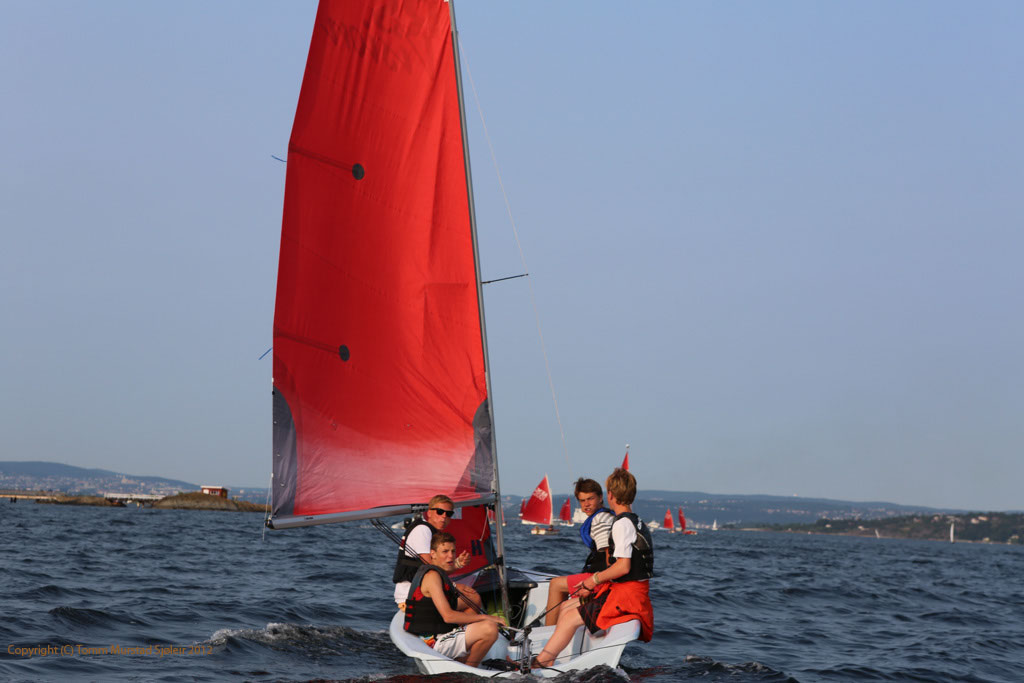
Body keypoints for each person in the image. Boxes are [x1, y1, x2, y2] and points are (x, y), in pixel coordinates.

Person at [533, 468, 654, 669]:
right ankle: (556, 656)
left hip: (627, 597)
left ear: (610, 495)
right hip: (627, 592)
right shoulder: (636, 521)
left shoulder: (621, 524)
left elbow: (623, 566)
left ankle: (541, 663)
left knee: (570, 617)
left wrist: (592, 581)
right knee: (567, 607)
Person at [403, 532, 506, 668]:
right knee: (490, 628)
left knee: (472, 599)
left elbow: (445, 575)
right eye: (445, 551)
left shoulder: (434, 572)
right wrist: (486, 618)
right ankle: (469, 669)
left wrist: (458, 564)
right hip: (432, 642)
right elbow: (448, 616)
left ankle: (463, 653)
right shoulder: (432, 577)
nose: (451, 556)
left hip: (434, 634)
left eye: (453, 551)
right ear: (433, 554)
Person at [543, 478, 615, 625]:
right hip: (602, 576)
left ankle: (547, 632)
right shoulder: (607, 516)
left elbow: (608, 558)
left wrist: (593, 583)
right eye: (582, 501)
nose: (586, 504)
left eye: (590, 499)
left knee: (555, 584)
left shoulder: (600, 520)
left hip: (603, 579)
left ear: (600, 497)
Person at [392, 495, 477, 610]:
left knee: (471, 597)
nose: (444, 516)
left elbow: (437, 570)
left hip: (424, 592)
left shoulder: (432, 532)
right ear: (429, 513)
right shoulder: (422, 530)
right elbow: (430, 567)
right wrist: (453, 586)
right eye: (439, 512)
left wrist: (458, 563)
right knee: (474, 599)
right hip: (411, 596)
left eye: (448, 514)